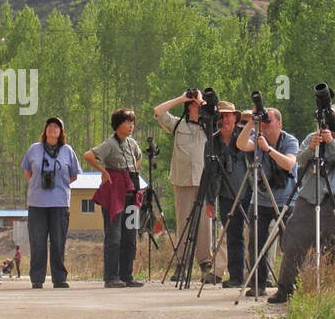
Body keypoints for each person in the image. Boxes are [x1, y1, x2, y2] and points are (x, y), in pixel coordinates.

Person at [267, 103, 335, 305]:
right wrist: (312, 148)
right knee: (293, 242)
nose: (332, 125)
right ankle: (285, 289)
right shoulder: (312, 138)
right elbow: (299, 161)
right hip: (309, 198)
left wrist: (331, 144)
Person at [152, 90, 218, 282]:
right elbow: (158, 112)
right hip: (182, 180)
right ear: (188, 107)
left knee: (205, 223)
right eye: (193, 104)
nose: (196, 106)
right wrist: (181, 98)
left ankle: (206, 262)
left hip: (203, 180)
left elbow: (217, 115)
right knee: (183, 223)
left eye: (197, 104)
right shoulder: (178, 123)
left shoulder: (209, 125)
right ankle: (182, 263)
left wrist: (201, 101)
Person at [236, 107, 299, 297]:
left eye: (268, 121)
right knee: (256, 242)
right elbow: (240, 144)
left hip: (286, 200)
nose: (265, 125)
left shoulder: (289, 140)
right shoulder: (257, 136)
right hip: (261, 199)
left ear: (279, 123)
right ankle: (258, 283)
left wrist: (268, 150)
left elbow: (289, 164)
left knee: (289, 243)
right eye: (263, 122)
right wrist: (250, 122)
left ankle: (289, 284)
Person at [84, 108, 144, 288]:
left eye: (132, 122)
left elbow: (139, 158)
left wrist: (130, 170)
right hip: (115, 194)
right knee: (114, 236)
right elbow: (89, 155)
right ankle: (111, 276)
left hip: (131, 194)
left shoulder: (132, 144)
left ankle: (127, 275)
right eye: (127, 122)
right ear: (118, 124)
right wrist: (104, 171)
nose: (131, 126)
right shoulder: (110, 144)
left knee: (130, 235)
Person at [22, 117, 82, 288]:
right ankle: (37, 279)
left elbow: (74, 175)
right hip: (37, 203)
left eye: (56, 127)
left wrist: (59, 186)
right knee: (38, 241)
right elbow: (27, 172)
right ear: (45, 129)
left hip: (59, 203)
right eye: (50, 126)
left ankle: (59, 278)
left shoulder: (67, 150)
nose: (52, 129)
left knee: (58, 241)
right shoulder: (35, 149)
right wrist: (37, 185)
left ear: (61, 132)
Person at [204, 101, 251, 288]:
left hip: (248, 192)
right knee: (232, 235)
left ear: (235, 118)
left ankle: (257, 276)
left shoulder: (244, 136)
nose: (225, 119)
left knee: (254, 235)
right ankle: (236, 277)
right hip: (224, 195)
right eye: (222, 116)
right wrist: (209, 201)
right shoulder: (212, 142)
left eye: (228, 115)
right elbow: (208, 173)